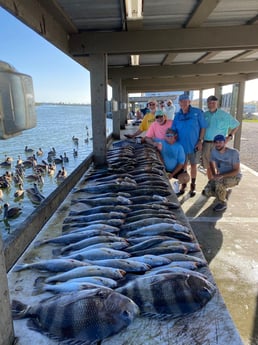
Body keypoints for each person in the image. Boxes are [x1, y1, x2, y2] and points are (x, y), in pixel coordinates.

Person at [172, 93, 207, 197]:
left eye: (185, 101)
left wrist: (200, 141)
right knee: (183, 166)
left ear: (189, 101)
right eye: (181, 101)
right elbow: (173, 130)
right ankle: (184, 184)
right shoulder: (177, 115)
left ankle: (193, 185)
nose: (183, 103)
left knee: (193, 166)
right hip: (181, 147)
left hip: (194, 146)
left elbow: (203, 127)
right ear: (179, 103)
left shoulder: (197, 112)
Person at [202, 95, 240, 180]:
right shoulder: (204, 115)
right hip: (206, 143)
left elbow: (236, 125)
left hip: (219, 144)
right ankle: (211, 183)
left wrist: (230, 136)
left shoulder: (224, 115)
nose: (211, 104)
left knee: (219, 165)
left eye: (214, 102)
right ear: (207, 103)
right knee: (208, 166)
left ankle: (220, 185)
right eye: (210, 102)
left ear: (217, 103)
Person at [202, 134, 242, 212]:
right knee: (207, 192)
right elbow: (211, 163)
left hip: (234, 177)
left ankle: (222, 203)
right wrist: (214, 174)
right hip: (221, 176)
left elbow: (236, 170)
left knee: (219, 183)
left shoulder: (233, 153)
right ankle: (225, 193)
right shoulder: (214, 152)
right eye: (216, 142)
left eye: (220, 142)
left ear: (224, 142)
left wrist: (221, 175)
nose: (218, 144)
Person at [155, 128, 190, 193]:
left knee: (186, 178)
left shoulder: (179, 147)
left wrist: (172, 174)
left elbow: (181, 164)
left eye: (170, 135)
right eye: (167, 135)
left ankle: (177, 184)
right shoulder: (161, 142)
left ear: (175, 136)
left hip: (175, 170)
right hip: (163, 168)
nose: (169, 136)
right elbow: (148, 138)